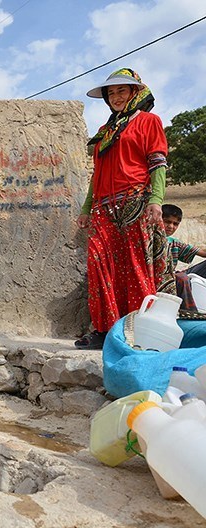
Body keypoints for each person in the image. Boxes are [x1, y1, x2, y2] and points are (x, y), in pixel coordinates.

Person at [75, 68, 169, 350]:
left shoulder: (148, 121)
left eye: (121, 91)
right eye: (111, 93)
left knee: (135, 266)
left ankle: (140, 331)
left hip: (135, 201)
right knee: (99, 265)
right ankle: (105, 330)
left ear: (134, 93)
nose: (115, 97)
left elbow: (157, 162)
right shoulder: (106, 132)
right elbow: (96, 174)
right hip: (103, 208)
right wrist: (86, 207)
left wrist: (156, 199)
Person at [160, 203, 206, 280]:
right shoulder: (146, 241)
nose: (171, 226)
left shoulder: (174, 243)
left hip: (173, 278)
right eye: (167, 222)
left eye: (175, 224)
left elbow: (203, 253)